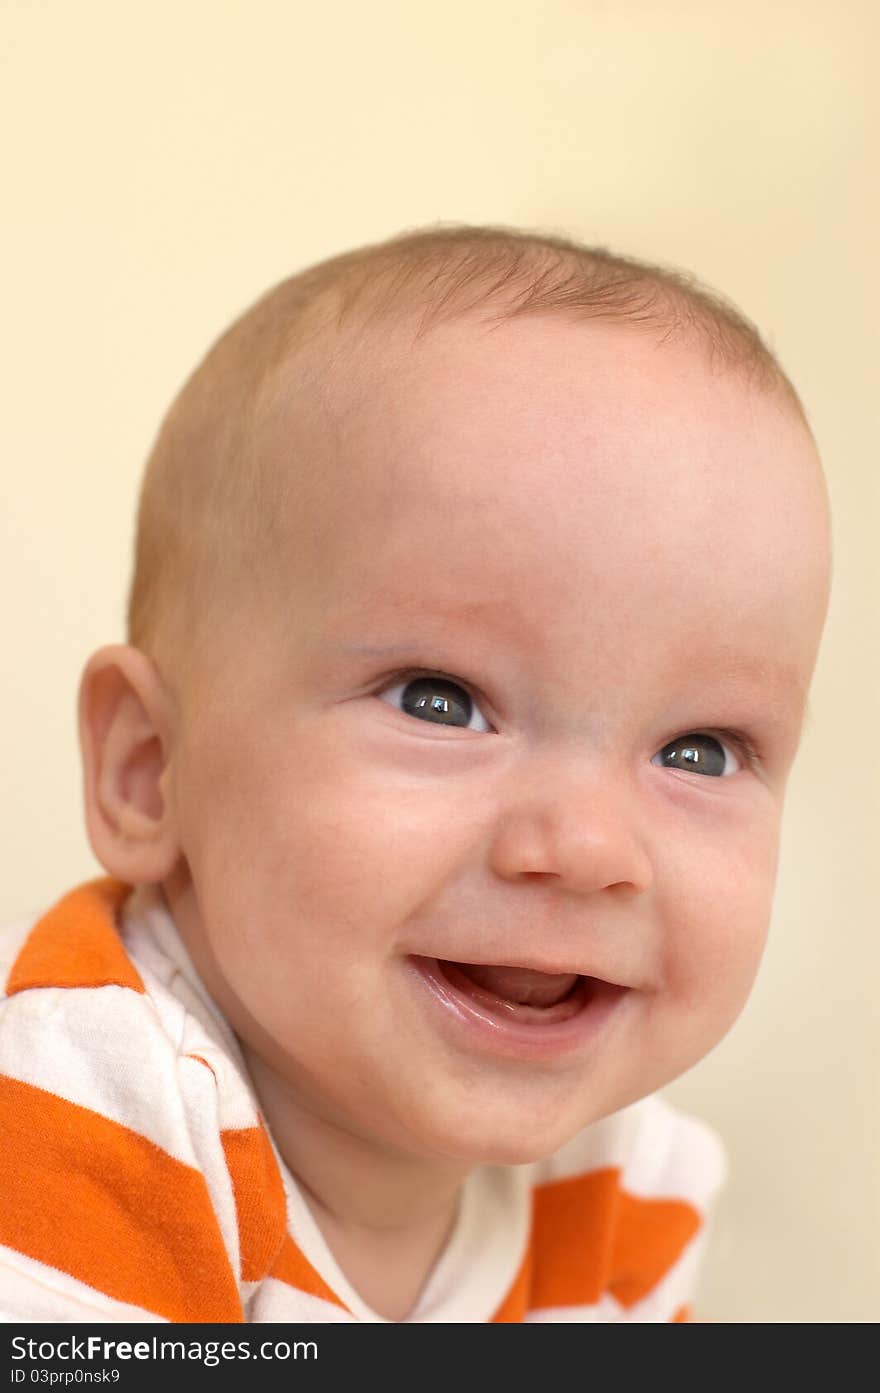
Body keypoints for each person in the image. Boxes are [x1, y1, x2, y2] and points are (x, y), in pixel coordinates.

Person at [0, 225, 832, 1323]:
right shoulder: (76, 1115)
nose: (587, 849)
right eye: (439, 699)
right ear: (151, 770)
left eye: (700, 750)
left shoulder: (632, 1187)